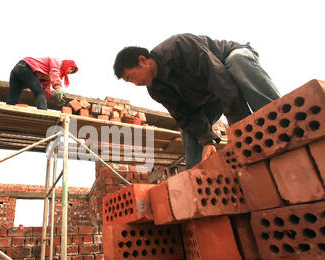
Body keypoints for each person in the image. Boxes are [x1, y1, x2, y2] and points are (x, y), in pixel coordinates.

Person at [113, 33, 280, 169]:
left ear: (142, 60)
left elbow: (219, 78)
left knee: (237, 61)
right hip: (211, 96)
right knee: (191, 133)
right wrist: (207, 142)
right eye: (130, 82)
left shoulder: (179, 47)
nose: (135, 84)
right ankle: (199, 186)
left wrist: (240, 130)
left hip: (226, 63)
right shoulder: (156, 90)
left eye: (132, 77)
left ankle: (278, 121)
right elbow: (187, 116)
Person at [7, 57, 78, 109]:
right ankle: (43, 112)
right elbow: (54, 72)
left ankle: (8, 112)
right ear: (67, 64)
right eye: (71, 68)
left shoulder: (48, 76)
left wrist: (53, 96)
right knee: (39, 92)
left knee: (13, 96)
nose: (70, 72)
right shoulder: (57, 62)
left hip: (18, 69)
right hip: (26, 67)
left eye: (72, 72)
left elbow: (45, 88)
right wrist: (58, 89)